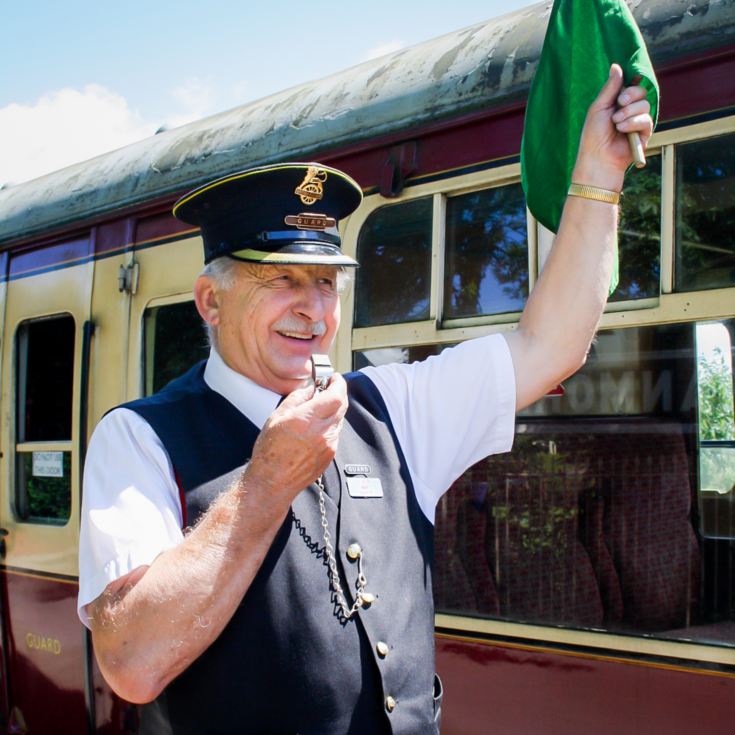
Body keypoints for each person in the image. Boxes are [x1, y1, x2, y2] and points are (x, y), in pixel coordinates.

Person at [78, 65, 652, 734]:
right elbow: (131, 664)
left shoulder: (388, 406)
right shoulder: (139, 438)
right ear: (211, 300)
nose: (312, 308)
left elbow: (551, 344)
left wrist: (599, 176)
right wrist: (265, 484)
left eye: (326, 282)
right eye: (281, 279)